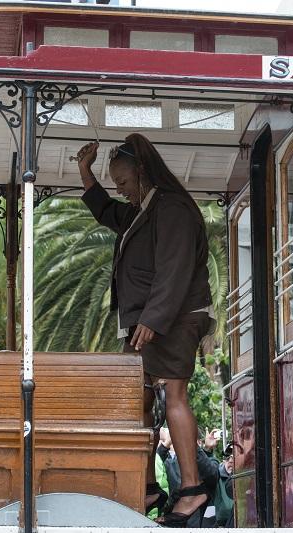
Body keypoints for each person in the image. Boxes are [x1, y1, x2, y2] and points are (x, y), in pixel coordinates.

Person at [76, 134, 214, 527]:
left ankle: (192, 488)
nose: (121, 191)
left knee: (174, 394)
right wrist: (86, 174)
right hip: (149, 321)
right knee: (138, 401)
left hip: (171, 319)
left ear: (141, 172)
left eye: (123, 182)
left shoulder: (172, 209)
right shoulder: (144, 209)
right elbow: (108, 213)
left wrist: (153, 319)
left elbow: (174, 270)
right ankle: (150, 485)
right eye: (116, 185)